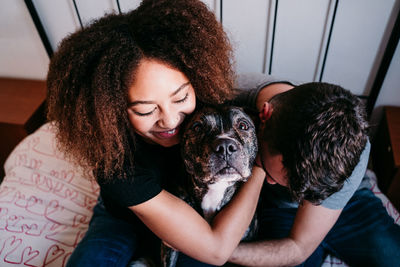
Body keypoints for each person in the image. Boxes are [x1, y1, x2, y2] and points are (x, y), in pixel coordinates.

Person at [46, 1, 265, 266]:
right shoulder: (116, 164)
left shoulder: (210, 102)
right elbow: (216, 251)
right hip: (123, 217)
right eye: (146, 110)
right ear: (111, 109)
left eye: (181, 97)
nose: (171, 120)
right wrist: (260, 166)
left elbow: (268, 93)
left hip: (192, 211)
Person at [229, 77, 400, 266]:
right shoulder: (231, 99)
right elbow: (296, 247)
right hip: (281, 209)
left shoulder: (352, 144)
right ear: (265, 115)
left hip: (351, 203)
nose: (269, 180)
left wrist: (223, 251)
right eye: (269, 173)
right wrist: (218, 249)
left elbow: (300, 248)